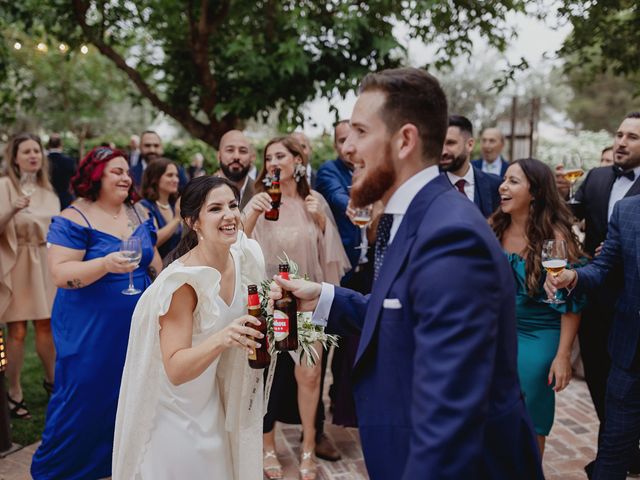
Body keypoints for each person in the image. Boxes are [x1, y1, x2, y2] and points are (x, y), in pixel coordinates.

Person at [269, 67, 542, 479]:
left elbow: (451, 417)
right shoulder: (411, 215)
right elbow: (403, 315)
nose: (348, 148)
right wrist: (323, 297)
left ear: (405, 140)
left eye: (360, 132)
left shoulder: (451, 235)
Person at [113, 176, 266, 479]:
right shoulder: (183, 284)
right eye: (216, 209)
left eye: (233, 205)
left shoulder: (243, 257)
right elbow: (175, 369)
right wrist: (224, 337)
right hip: (175, 414)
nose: (230, 215)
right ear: (193, 221)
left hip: (213, 402)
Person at [31, 146, 161, 480]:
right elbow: (61, 274)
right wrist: (104, 264)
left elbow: (154, 260)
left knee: (130, 394)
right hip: (89, 329)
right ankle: (57, 469)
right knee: (83, 395)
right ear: (95, 175)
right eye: (115, 171)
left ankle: (119, 463)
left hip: (135, 326)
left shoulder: (137, 211)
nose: (125, 176)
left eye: (125, 171)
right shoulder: (75, 216)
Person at [243, 135, 350, 480]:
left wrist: (320, 222)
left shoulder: (314, 200)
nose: (273, 162)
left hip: (307, 300)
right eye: (268, 157)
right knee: (266, 377)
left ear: (297, 162)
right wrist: (251, 213)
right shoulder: (259, 201)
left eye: (280, 156)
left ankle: (307, 446)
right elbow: (240, 251)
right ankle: (267, 445)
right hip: (270, 300)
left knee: (310, 374)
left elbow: (329, 256)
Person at [556, 112, 640, 478]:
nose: (621, 142)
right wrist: (572, 274)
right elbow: (603, 264)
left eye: (632, 137)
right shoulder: (627, 209)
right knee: (612, 447)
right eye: (619, 135)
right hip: (624, 332)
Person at [489, 158, 585, 456]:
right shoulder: (491, 227)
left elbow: (572, 303)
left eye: (514, 181)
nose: (503, 186)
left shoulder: (555, 238)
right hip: (494, 330)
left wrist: (562, 356)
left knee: (530, 416)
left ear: (536, 191)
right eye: (504, 179)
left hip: (539, 332)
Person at [315, 119, 369, 432]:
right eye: (340, 140)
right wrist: (356, 203)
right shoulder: (329, 170)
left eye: (353, 137)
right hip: (337, 270)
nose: (347, 146)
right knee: (324, 344)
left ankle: (342, 403)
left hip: (366, 271)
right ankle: (317, 424)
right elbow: (336, 196)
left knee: (353, 346)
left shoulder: (372, 166)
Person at [0, 133, 59, 419]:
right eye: (27, 152)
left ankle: (54, 383)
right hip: (18, 263)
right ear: (15, 157)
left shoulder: (49, 192)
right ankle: (14, 391)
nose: (34, 155)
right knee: (18, 330)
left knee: (47, 325)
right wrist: (12, 208)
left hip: (44, 263)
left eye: (37, 150)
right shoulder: (4, 187)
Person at [440, 115, 501, 218]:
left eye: (450, 143)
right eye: (439, 144)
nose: (443, 151)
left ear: (470, 145)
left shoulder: (495, 185)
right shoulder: (427, 186)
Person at [140, 157, 183, 259]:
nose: (176, 180)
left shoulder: (174, 206)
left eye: (176, 175)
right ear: (155, 179)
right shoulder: (144, 206)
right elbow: (152, 241)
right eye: (169, 175)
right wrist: (177, 219)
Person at [217, 130, 255, 210]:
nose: (236, 156)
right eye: (230, 150)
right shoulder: (200, 192)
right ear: (219, 156)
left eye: (243, 151)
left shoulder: (263, 192)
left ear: (252, 157)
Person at [47, 133, 77, 209]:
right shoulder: (69, 161)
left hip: (47, 198)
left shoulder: (43, 161)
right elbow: (75, 179)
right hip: (65, 199)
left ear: (49, 145)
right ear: (61, 145)